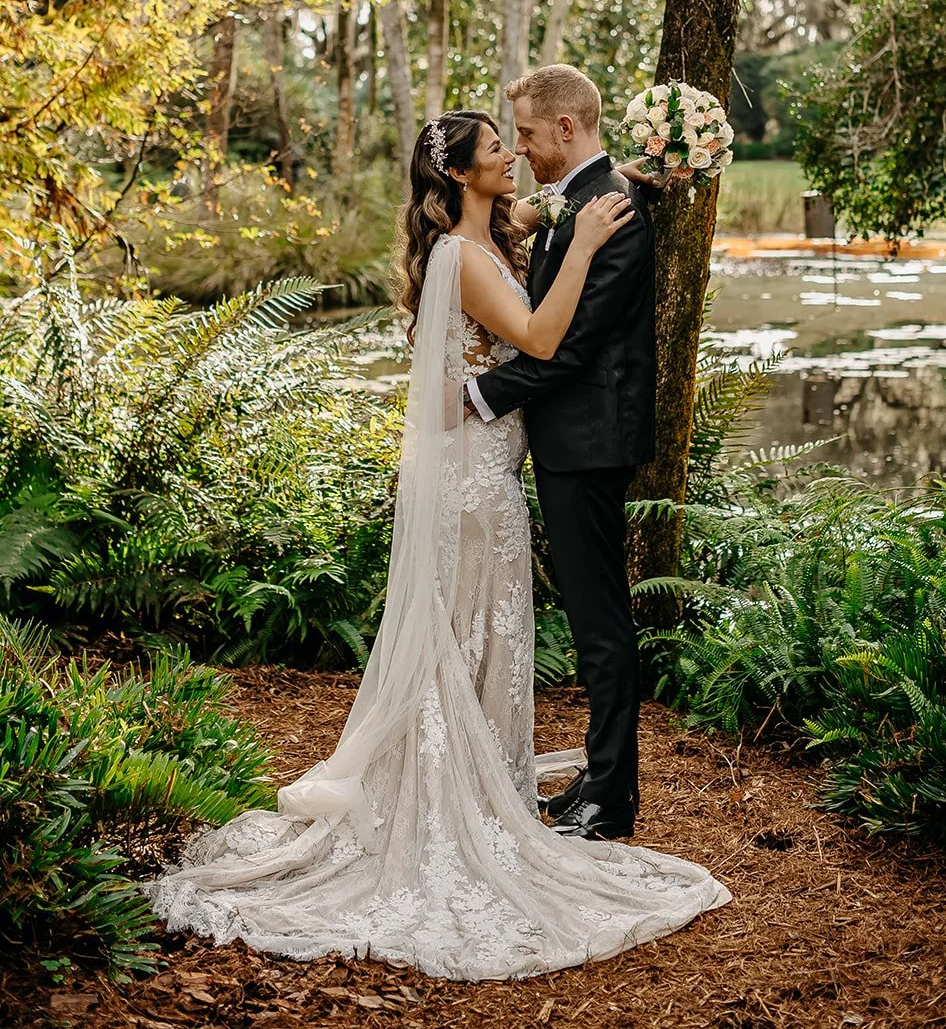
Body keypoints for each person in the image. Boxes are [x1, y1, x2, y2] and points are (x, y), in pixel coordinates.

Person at [147, 105, 729, 980]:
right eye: (499, 148)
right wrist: (575, 248)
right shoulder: (464, 254)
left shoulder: (491, 230)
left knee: (476, 629)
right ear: (461, 174)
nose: (514, 158)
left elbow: (552, 203)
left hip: (485, 464)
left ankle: (481, 779)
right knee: (471, 628)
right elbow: (535, 336)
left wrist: (627, 180)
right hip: (472, 477)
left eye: (517, 139)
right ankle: (455, 794)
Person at [465, 66, 654, 840]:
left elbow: (567, 349)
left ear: (567, 130)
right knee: (589, 618)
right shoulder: (586, 195)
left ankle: (613, 799)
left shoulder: (612, 207)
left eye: (530, 135)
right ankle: (601, 775)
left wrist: (479, 398)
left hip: (589, 442)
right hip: (571, 440)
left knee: (600, 623)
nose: (521, 149)